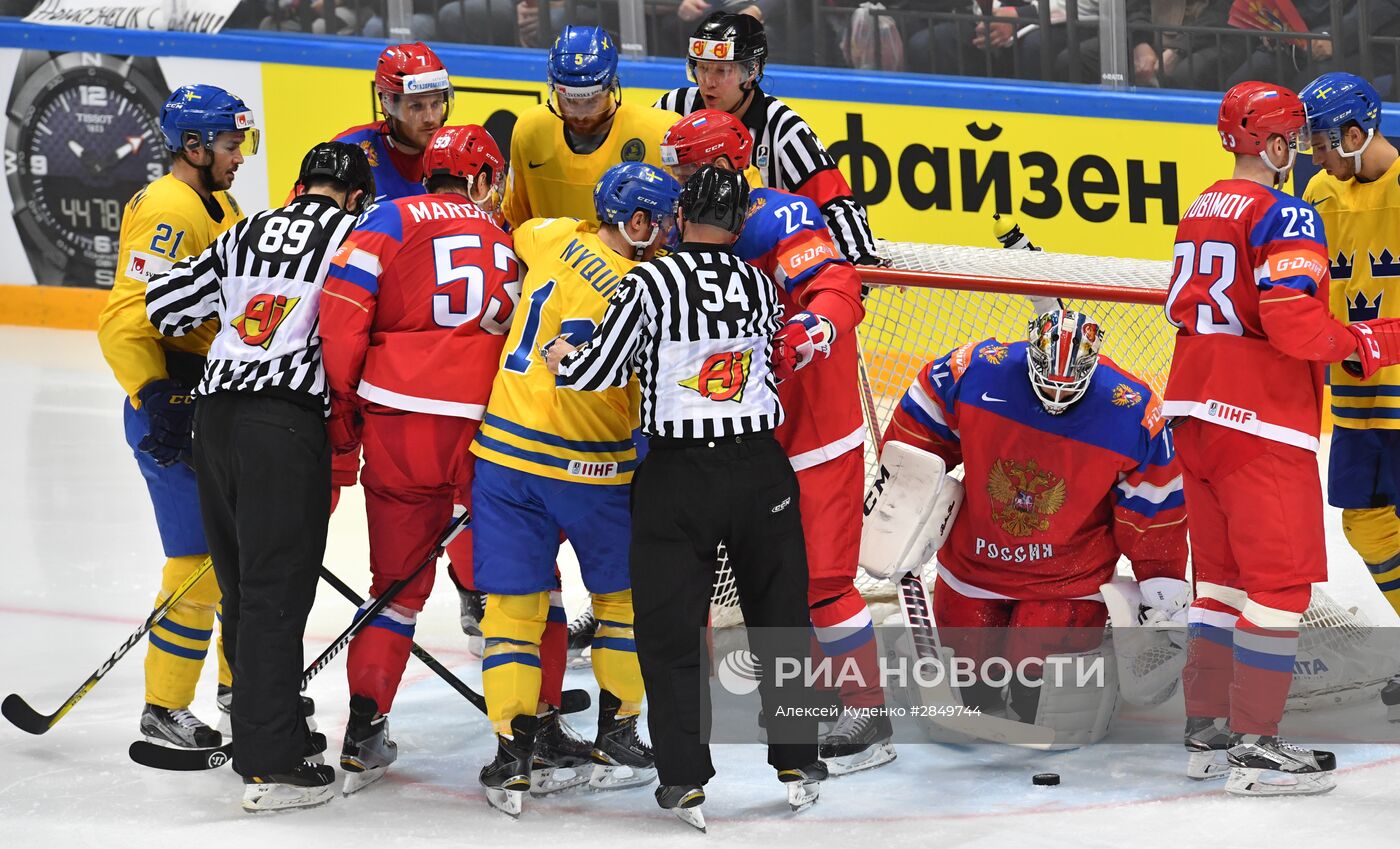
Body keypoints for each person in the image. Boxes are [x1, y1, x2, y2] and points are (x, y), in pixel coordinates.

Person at [548, 165, 825, 832]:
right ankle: (798, 761)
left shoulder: (649, 281)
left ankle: (683, 779)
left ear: (678, 220)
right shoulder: (761, 284)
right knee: (780, 616)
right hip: (762, 470)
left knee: (672, 634)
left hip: (679, 477)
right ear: (736, 227)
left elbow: (599, 370)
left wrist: (561, 352)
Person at [1166, 80, 1400, 796]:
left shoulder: (1201, 207)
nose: (1302, 150)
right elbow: (1293, 322)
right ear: (1273, 143)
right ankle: (1256, 745)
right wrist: (1363, 341)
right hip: (1257, 419)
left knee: (1223, 582)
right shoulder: (1288, 209)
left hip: (1192, 410)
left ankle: (1205, 732)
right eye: (1295, 137)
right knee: (1281, 583)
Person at [144, 142, 373, 812]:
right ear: (356, 196)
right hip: (283, 427)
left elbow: (165, 303)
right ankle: (269, 762)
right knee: (276, 590)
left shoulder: (247, 229)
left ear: (301, 186)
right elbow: (365, 328)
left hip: (213, 422)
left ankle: (267, 728)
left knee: (243, 588)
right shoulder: (356, 235)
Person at [659, 110, 887, 775]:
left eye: (690, 168)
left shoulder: (778, 217)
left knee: (821, 579)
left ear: (727, 165)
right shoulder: (685, 223)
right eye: (677, 170)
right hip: (745, 429)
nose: (681, 181)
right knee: (769, 578)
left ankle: (867, 711)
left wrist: (812, 329)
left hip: (815, 428)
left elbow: (837, 285)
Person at [469, 161, 680, 817]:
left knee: (510, 611)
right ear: (639, 221)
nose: (672, 230)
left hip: (504, 456)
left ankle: (512, 754)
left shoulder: (553, 235)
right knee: (622, 600)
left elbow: (511, 229)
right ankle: (617, 734)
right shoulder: (649, 288)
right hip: (594, 467)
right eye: (664, 217)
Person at [318, 125, 521, 795]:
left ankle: (363, 731)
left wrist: (348, 401)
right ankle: (524, 737)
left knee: (395, 589)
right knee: (511, 590)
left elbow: (342, 312)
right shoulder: (507, 242)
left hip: (398, 423)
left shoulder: (385, 216)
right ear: (485, 178)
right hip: (482, 436)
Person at [878, 310, 1189, 737]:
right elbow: (919, 426)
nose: (1057, 393)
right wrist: (899, 503)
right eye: (1048, 380)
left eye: (1070, 384)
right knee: (967, 690)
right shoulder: (975, 370)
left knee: (1040, 703)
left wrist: (1161, 581)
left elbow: (1154, 505)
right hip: (973, 567)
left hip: (1068, 579)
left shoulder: (1131, 410)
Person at [96, 84, 255, 750]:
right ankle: (164, 705)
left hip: (211, 402)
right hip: (169, 408)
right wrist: (155, 394)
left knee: (239, 558)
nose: (239, 155)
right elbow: (123, 320)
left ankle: (239, 687)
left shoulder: (220, 202)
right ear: (193, 147)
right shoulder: (168, 207)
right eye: (228, 143)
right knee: (200, 563)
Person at [1298, 72, 1400, 720]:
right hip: (1358, 397)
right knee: (1364, 523)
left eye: (1323, 141)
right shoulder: (1318, 191)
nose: (1315, 153)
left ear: (1357, 132)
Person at [655, 11, 883, 267]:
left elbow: (835, 202)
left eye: (721, 71)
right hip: (681, 256)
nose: (708, 82)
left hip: (760, 265)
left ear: (751, 71)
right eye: (702, 68)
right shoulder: (672, 107)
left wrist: (861, 259)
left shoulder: (784, 127)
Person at [500, 25, 676, 230]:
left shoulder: (659, 133)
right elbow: (516, 221)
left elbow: (674, 227)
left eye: (591, 101)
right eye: (569, 101)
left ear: (611, 86)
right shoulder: (529, 130)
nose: (580, 114)